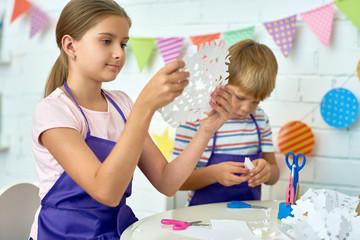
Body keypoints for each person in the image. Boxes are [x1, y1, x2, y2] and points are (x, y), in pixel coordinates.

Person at [29, 0, 233, 239]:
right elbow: (105, 192)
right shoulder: (53, 111)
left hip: (115, 232)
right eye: (106, 41)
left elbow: (166, 182)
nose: (118, 53)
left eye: (123, 44)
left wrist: (205, 131)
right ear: (70, 45)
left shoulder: (122, 104)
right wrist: (144, 107)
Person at [172, 39, 280, 206]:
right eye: (240, 97)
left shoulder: (260, 119)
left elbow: (274, 174)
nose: (246, 108)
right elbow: (176, 181)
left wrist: (267, 171)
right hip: (202, 218)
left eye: (256, 101)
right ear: (221, 80)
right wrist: (213, 174)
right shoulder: (195, 119)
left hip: (248, 218)